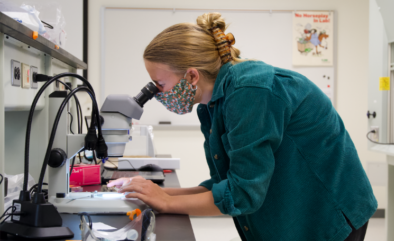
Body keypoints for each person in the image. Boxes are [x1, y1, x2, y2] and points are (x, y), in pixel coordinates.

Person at [107, 12, 377, 241]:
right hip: (290, 211)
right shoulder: (211, 104)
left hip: (327, 216)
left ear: (191, 75)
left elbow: (243, 195)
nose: (157, 93)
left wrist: (166, 201)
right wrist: (159, 194)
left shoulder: (250, 91)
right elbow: (225, 183)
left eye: (160, 85)